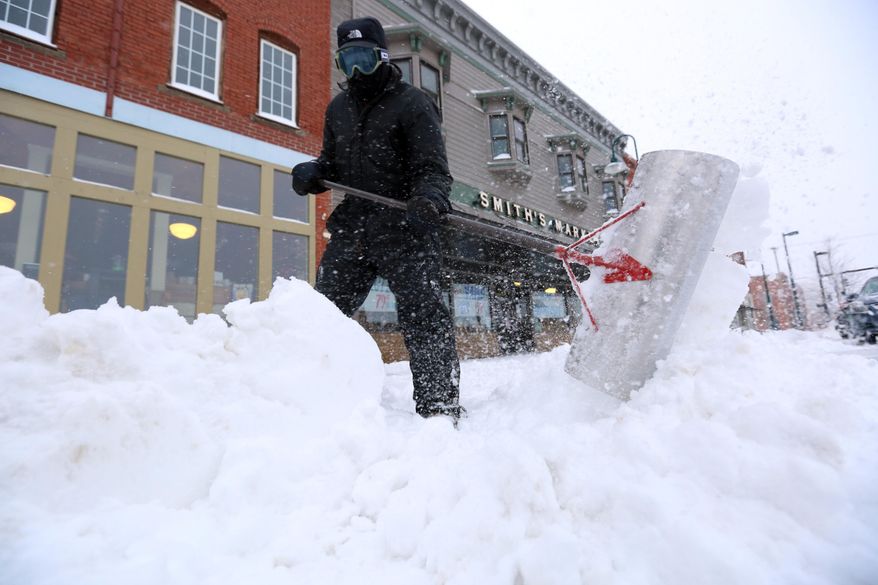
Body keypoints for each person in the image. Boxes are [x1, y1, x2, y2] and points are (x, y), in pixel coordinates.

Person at [291, 17, 463, 422]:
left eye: (364, 58)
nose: (356, 70)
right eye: (347, 60)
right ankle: (310, 398)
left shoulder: (413, 103)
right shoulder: (338, 109)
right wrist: (314, 174)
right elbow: (332, 164)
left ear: (382, 57)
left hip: (406, 227)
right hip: (355, 226)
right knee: (324, 315)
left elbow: (434, 170)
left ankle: (439, 407)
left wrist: (428, 199)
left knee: (424, 317)